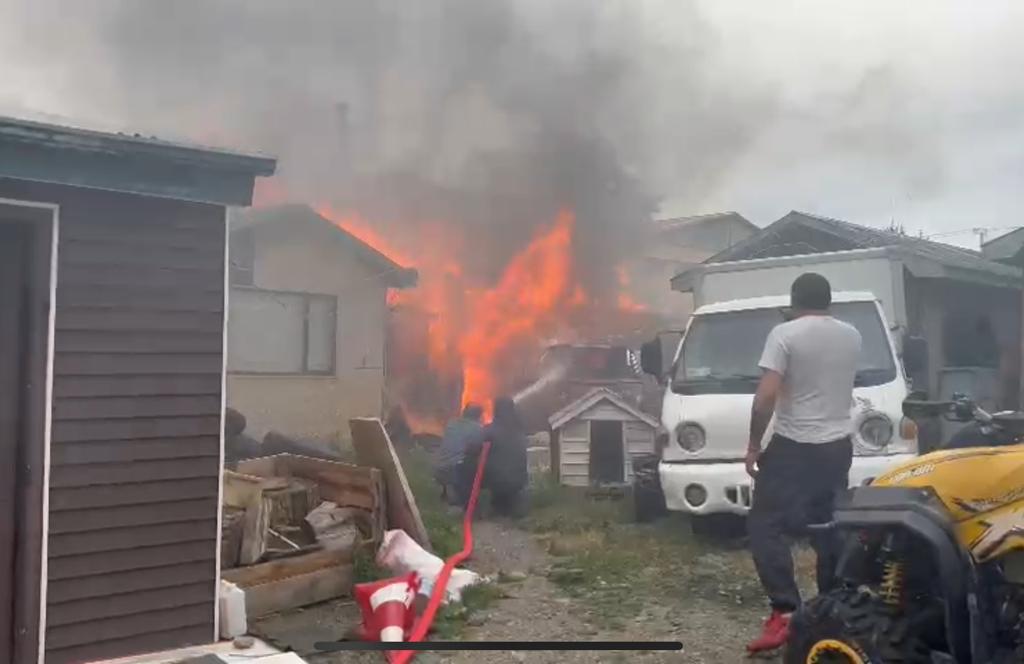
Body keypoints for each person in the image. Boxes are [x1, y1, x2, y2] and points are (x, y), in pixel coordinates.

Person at [744, 273, 862, 654]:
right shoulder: (852, 335)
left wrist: (752, 445)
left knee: (765, 524)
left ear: (795, 302)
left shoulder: (785, 335)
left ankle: (785, 612)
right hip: (837, 446)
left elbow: (765, 398)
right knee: (828, 526)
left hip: (794, 445)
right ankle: (833, 608)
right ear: (829, 302)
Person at [457, 396, 529, 517]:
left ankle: (471, 509)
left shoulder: (489, 430)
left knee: (465, 466)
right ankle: (506, 505)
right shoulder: (520, 430)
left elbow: (471, 449)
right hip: (519, 480)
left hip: (497, 480)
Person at [434, 403, 484, 505]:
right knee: (475, 459)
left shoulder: (451, 423)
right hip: (455, 471)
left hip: (438, 468)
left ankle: (447, 492)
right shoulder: (477, 428)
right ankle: (462, 499)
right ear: (478, 416)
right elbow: (478, 449)